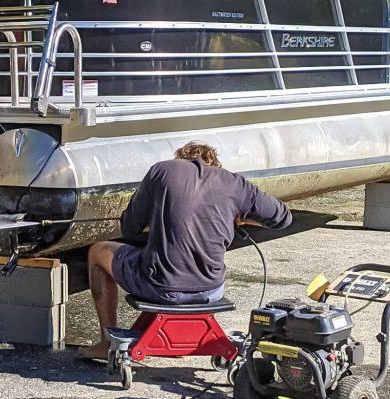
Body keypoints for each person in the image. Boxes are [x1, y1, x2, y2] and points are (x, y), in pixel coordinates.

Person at [79, 141, 292, 360]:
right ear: (214, 163)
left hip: (160, 287)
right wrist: (240, 218)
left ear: (180, 158)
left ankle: (106, 343)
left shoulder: (162, 170)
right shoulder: (235, 183)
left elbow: (130, 228)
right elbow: (283, 218)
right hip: (211, 291)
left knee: (98, 251)